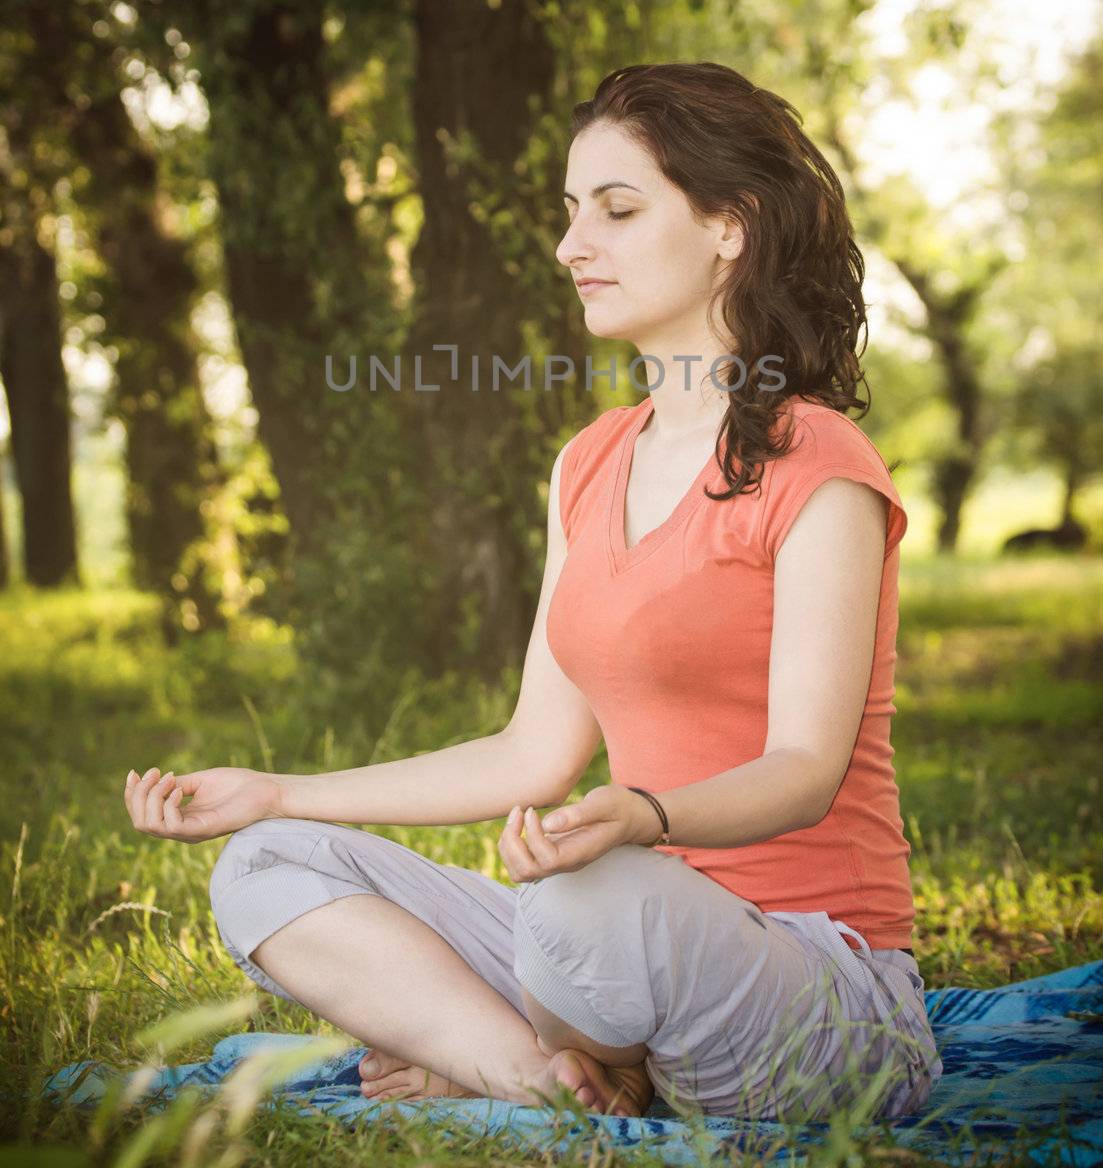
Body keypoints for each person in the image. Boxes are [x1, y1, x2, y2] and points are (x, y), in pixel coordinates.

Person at [123, 61, 943, 1124]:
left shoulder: (820, 465)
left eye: (615, 208)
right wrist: (278, 789)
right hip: (608, 948)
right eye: (569, 214)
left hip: (821, 994)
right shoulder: (587, 464)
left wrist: (641, 817)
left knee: (582, 901)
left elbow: (802, 769)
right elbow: (529, 754)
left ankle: (537, 1059)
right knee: (267, 863)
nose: (570, 247)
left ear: (728, 227)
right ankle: (537, 1077)